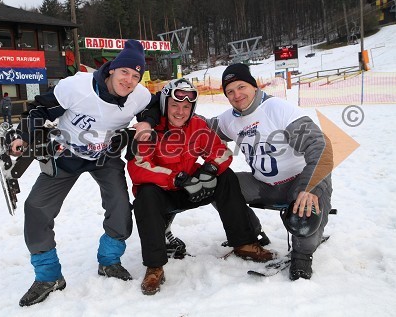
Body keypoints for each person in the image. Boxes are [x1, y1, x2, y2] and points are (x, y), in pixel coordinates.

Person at [10, 39, 160, 307]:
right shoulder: (77, 86)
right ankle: (48, 276)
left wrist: (146, 122)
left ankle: (110, 262)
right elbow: (38, 109)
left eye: (136, 76)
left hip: (106, 155)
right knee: (36, 208)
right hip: (67, 152)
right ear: (112, 68)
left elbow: (152, 106)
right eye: (125, 72)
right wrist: (22, 135)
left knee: (121, 207)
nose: (129, 80)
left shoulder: (138, 95)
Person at [127, 78, 274, 296]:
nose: (180, 112)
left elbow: (221, 151)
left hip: (192, 187)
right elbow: (139, 168)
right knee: (145, 197)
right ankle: (155, 266)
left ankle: (243, 242)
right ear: (165, 104)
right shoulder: (149, 129)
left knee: (227, 178)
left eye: (186, 107)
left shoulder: (197, 125)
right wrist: (176, 178)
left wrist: (210, 170)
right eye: (175, 106)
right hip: (163, 191)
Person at [208, 63, 333, 281]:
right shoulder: (229, 119)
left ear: (254, 86)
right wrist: (163, 109)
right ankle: (250, 233)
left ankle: (303, 255)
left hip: (299, 183)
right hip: (263, 185)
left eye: (241, 87)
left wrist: (309, 187)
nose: (237, 95)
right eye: (230, 91)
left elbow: (320, 147)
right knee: (217, 187)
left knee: (305, 223)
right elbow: (199, 125)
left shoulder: (278, 109)